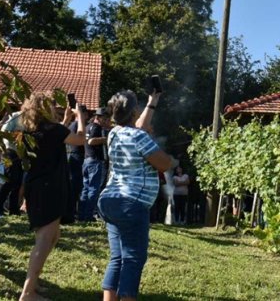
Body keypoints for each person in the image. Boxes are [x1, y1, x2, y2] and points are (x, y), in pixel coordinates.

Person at [97, 89, 171, 301]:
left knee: (117, 258)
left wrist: (152, 103)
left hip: (110, 200)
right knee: (133, 259)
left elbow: (136, 129)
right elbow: (164, 164)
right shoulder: (140, 136)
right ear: (134, 111)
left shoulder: (113, 133)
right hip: (131, 203)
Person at [18, 92, 87, 301]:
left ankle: (34, 285)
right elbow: (80, 139)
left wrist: (66, 120)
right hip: (49, 189)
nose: (55, 108)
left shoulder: (31, 129)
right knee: (45, 239)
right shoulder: (53, 130)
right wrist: (80, 116)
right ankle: (28, 293)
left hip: (37, 187)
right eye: (52, 105)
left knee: (51, 236)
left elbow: (55, 139)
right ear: (45, 108)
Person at [78, 107, 109, 222]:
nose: (106, 121)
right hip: (95, 161)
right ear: (98, 118)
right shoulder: (96, 127)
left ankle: (81, 215)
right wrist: (106, 139)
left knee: (85, 189)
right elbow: (91, 141)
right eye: (104, 118)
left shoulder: (87, 127)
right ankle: (88, 216)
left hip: (86, 160)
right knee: (94, 189)